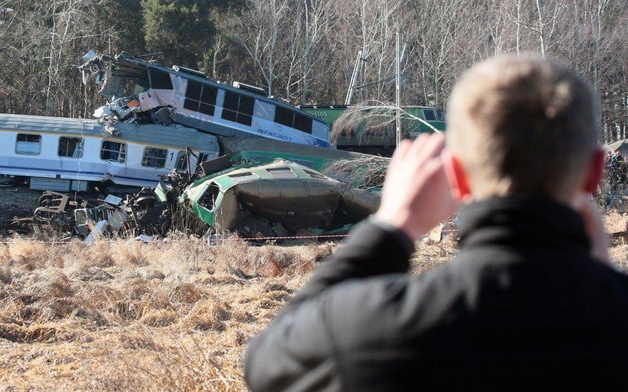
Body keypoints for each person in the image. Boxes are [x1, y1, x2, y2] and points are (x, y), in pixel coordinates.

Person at [244, 55, 628, 391]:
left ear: (456, 177)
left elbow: (264, 364)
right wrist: (598, 275)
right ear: (594, 174)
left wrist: (391, 228)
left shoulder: (366, 331)